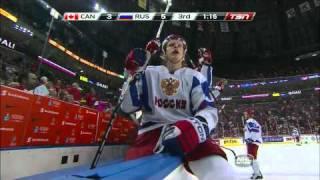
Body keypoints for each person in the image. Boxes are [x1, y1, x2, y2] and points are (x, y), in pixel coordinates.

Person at [120, 34, 236, 179]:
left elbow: (208, 110)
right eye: (171, 44)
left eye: (179, 45)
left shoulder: (195, 76)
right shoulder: (148, 73)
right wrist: (131, 73)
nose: (175, 46)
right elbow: (126, 106)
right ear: (163, 52)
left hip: (187, 131)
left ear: (184, 53)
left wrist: (195, 127)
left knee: (222, 173)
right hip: (151, 135)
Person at [243, 109, 263, 179]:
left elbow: (255, 130)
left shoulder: (250, 121)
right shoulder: (253, 121)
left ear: (249, 114)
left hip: (252, 142)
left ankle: (258, 174)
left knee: (252, 158)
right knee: (252, 158)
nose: (244, 115)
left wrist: (251, 139)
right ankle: (257, 172)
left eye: (245, 114)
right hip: (252, 142)